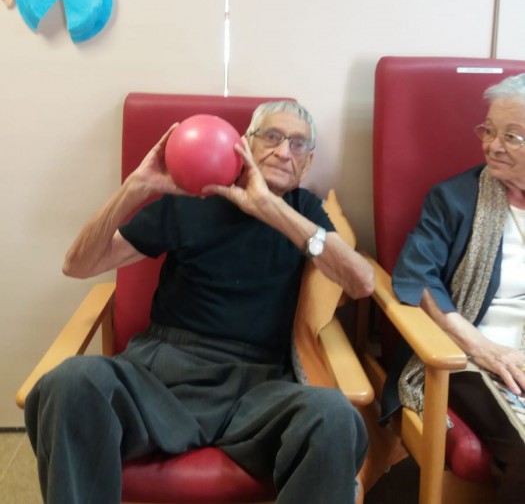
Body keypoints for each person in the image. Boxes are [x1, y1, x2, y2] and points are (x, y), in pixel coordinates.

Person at [25, 99, 374, 504]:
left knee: (334, 417)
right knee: (70, 382)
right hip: (162, 373)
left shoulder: (304, 211)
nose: (284, 151)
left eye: (298, 144)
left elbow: (361, 281)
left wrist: (270, 208)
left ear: (308, 163)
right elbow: (78, 265)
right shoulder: (194, 199)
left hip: (257, 389)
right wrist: (135, 187)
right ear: (245, 143)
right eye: (273, 136)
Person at [383, 74, 525, 502]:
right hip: (472, 358)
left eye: (511, 136)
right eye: (489, 130)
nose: (493, 146)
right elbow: (416, 276)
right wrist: (482, 348)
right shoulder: (455, 199)